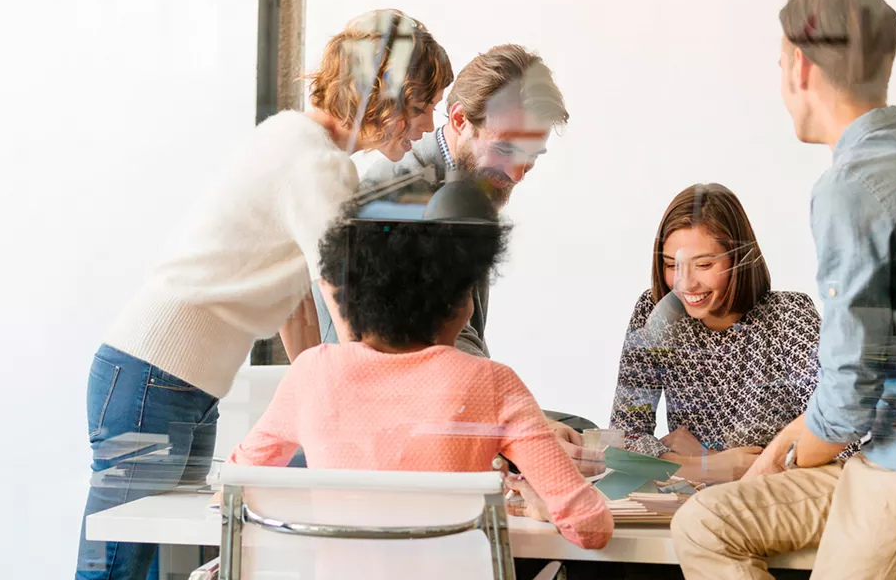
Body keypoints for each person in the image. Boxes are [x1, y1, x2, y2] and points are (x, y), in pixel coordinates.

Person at [72, 11, 453, 580]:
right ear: (390, 96)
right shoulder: (316, 165)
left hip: (172, 384)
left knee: (148, 572)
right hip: (153, 381)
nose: (427, 127)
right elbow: (351, 305)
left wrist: (319, 389)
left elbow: (299, 302)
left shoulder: (295, 140)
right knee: (113, 577)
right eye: (425, 107)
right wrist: (391, 400)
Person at [670, 0, 896, 580]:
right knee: (705, 523)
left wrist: (787, 456)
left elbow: (849, 384)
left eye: (781, 64)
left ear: (801, 67)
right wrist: (788, 447)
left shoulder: (852, 184)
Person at [226, 200, 615, 550]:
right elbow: (591, 527)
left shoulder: (310, 373)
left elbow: (232, 487)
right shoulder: (491, 382)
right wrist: (540, 506)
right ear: (453, 305)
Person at [310, 45, 599, 469]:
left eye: (532, 157)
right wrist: (510, 418)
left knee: (580, 431)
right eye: (506, 150)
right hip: (395, 414)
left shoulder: (461, 188)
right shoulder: (402, 194)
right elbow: (418, 348)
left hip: (436, 395)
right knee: (566, 447)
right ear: (461, 120)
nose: (517, 173)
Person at [610, 183, 851, 485]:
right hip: (687, 503)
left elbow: (843, 437)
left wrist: (706, 461)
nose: (686, 284)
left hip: (774, 505)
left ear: (738, 259)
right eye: (672, 265)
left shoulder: (788, 317)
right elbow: (622, 440)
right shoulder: (654, 312)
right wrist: (707, 466)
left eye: (704, 264)